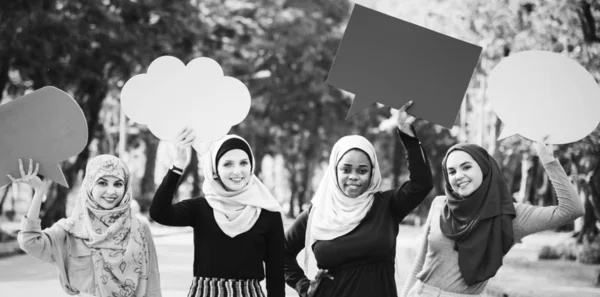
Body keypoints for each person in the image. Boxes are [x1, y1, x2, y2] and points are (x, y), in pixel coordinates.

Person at [284, 101, 434, 297]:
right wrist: (303, 286)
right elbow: (280, 253)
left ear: (372, 173)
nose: (353, 176)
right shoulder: (316, 213)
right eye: (346, 170)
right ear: (334, 171)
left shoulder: (386, 205)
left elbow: (421, 183)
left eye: (362, 171)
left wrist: (407, 135)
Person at [400, 139, 585, 297]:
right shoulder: (440, 205)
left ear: (484, 168)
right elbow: (420, 262)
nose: (459, 176)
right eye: (452, 171)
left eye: (466, 167)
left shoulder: (510, 215)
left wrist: (549, 160)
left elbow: (572, 210)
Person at [150, 128, 285, 297]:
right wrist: (178, 164)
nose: (237, 171)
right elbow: (159, 213)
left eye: (244, 163)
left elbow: (276, 275)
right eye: (228, 164)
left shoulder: (268, 214)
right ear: (215, 169)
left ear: (251, 166)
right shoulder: (200, 208)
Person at [15, 155, 161, 297]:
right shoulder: (71, 230)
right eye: (102, 183)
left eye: (118, 184)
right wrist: (39, 192)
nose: (111, 191)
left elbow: (152, 282)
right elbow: (30, 242)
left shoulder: (139, 227)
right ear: (89, 185)